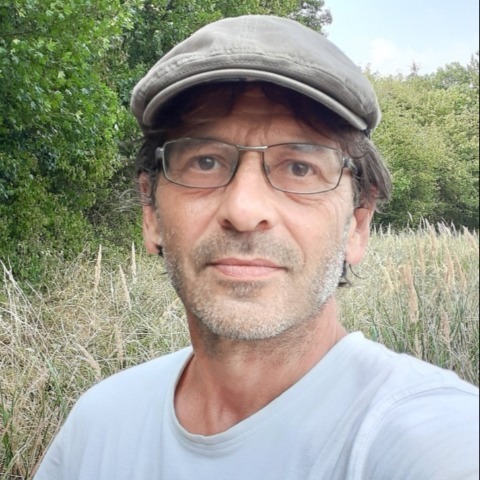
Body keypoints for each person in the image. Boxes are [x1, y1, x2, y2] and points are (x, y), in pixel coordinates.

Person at [34, 15, 479, 480]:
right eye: (205, 162)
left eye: (300, 168)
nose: (244, 210)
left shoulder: (428, 436)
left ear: (357, 225)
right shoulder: (97, 426)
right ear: (151, 214)